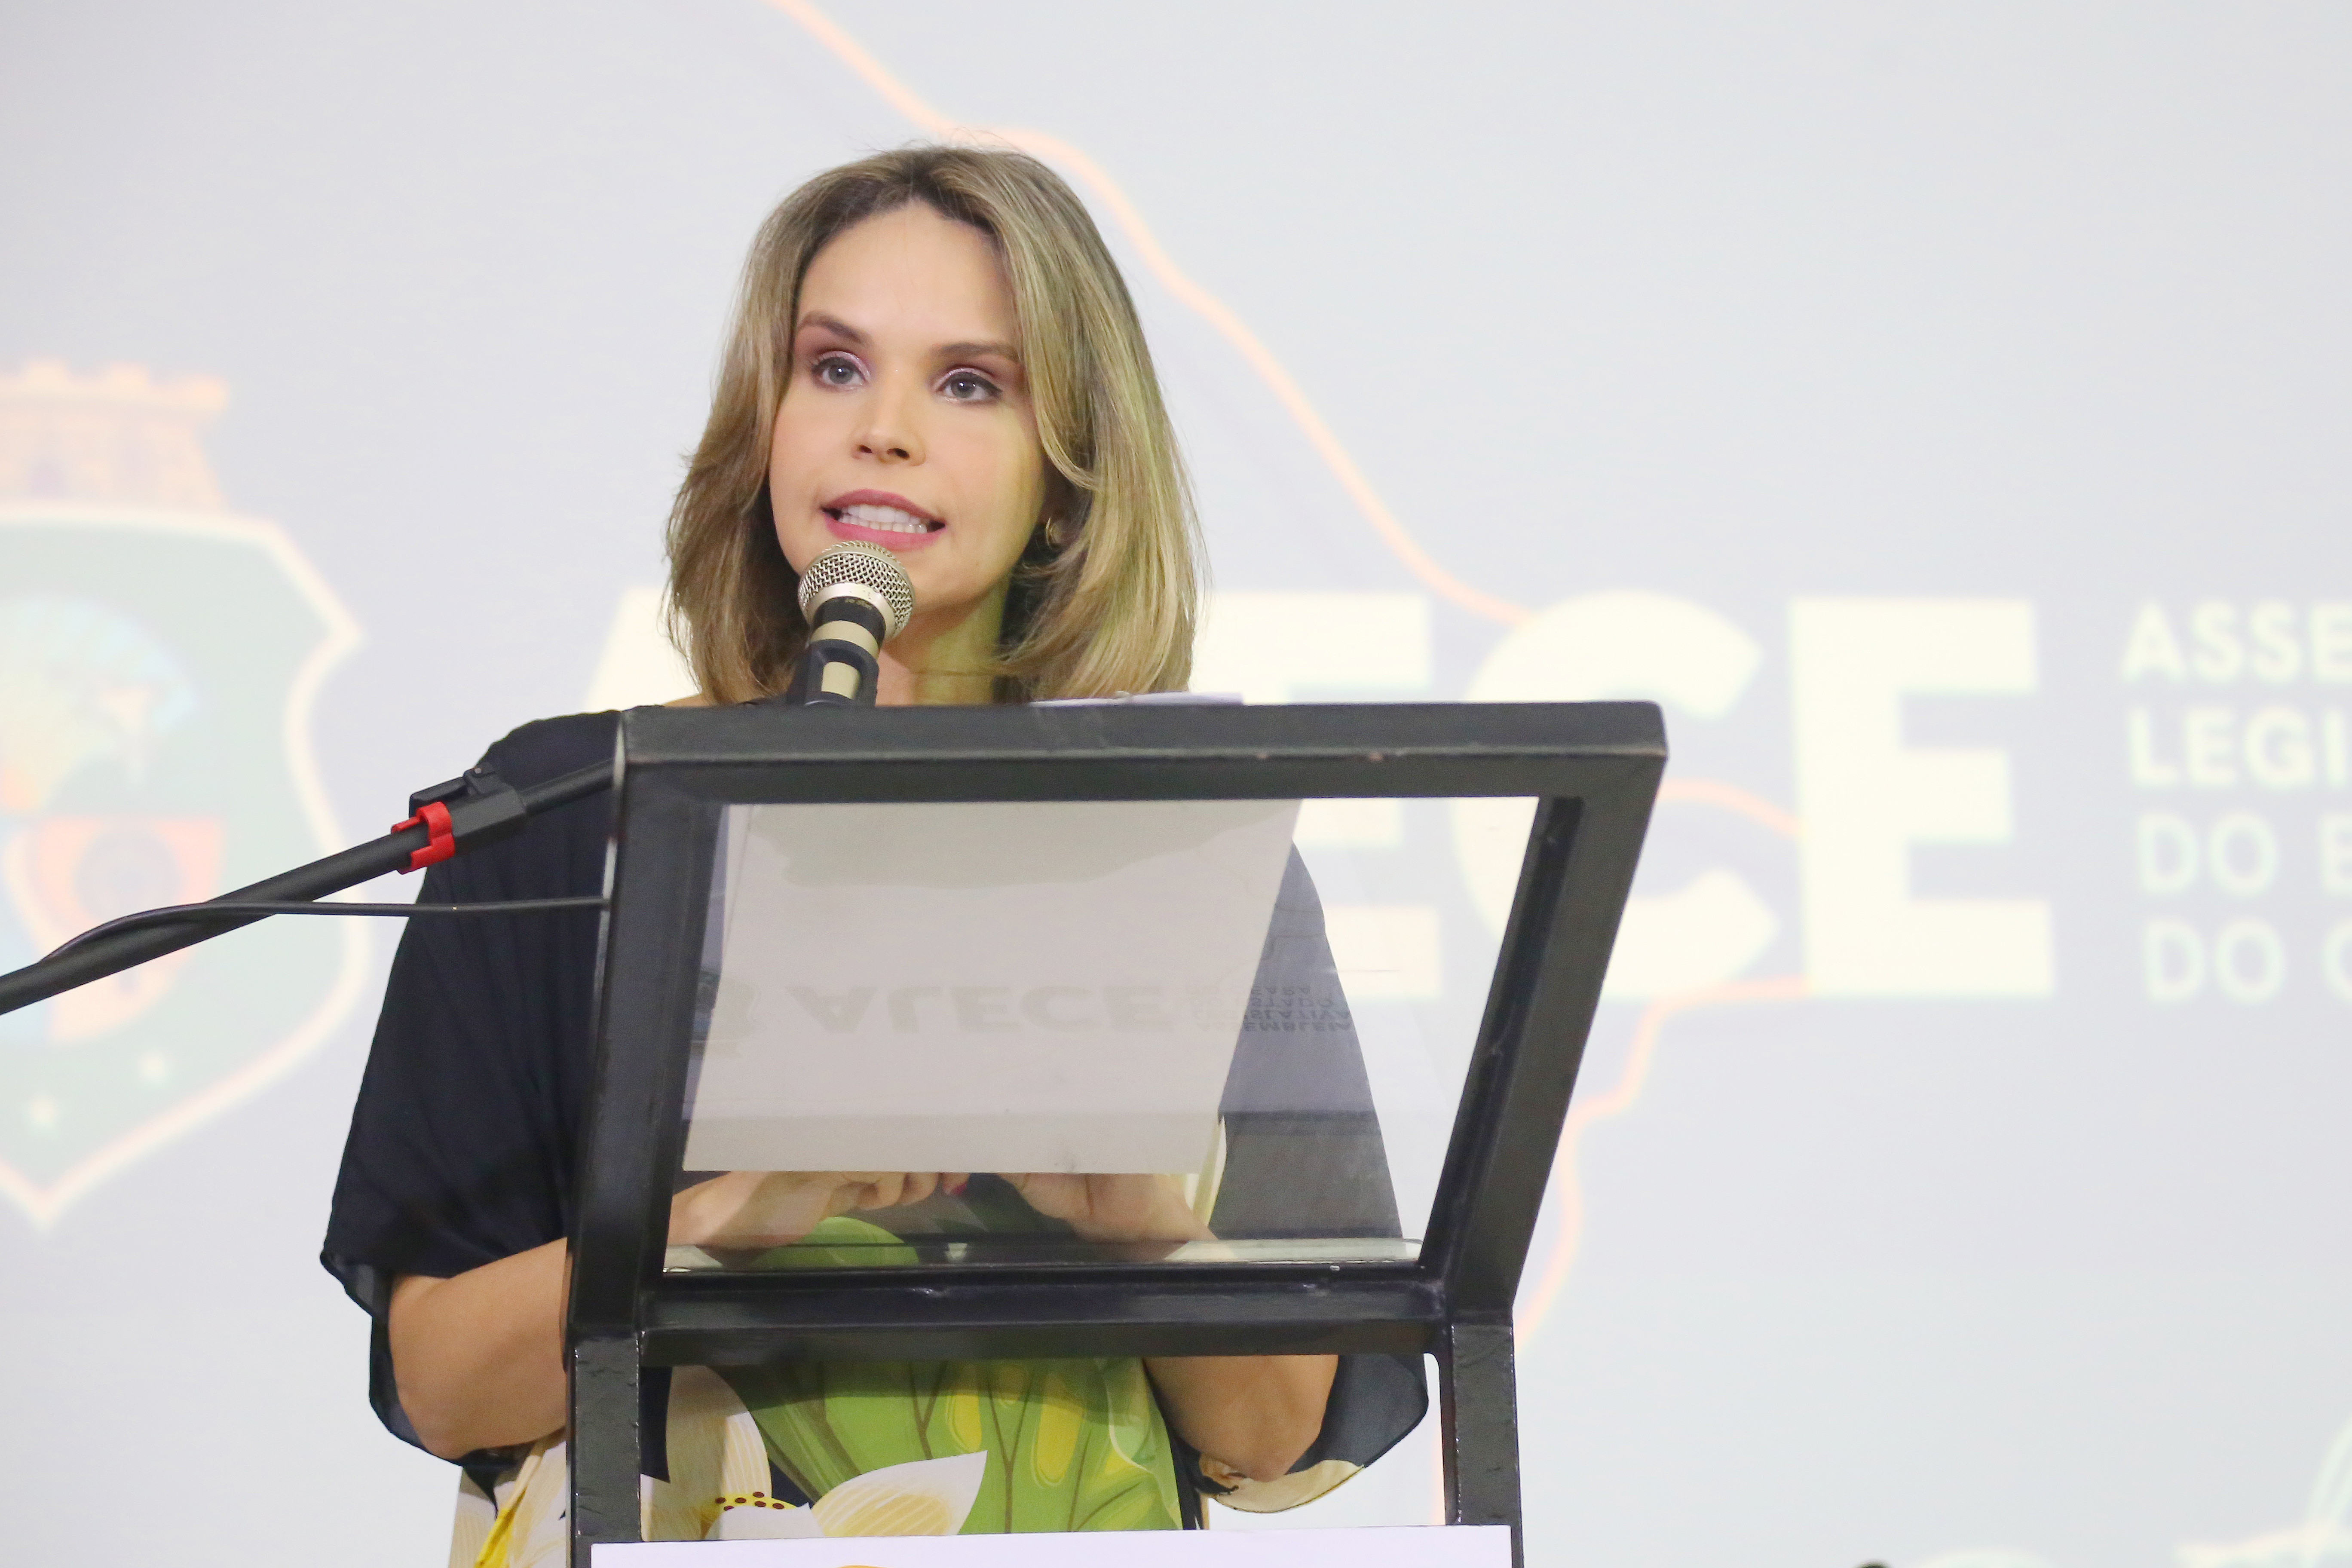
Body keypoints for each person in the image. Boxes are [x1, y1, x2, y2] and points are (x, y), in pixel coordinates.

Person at [322, 146, 1423, 1561]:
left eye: (971, 384)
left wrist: (1138, 1228)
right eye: (834, 368)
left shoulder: (1189, 852)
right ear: (766, 422)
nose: (882, 431)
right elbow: (443, 1385)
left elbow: (1275, 1436)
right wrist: (726, 1219)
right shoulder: (566, 812)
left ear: (1069, 476)